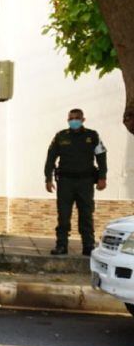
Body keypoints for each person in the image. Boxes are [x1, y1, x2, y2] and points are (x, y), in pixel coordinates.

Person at [45, 108, 107, 255]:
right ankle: (61, 245)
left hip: (85, 182)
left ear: (83, 119)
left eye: (77, 118)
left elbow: (102, 157)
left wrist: (102, 177)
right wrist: (48, 178)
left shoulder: (92, 136)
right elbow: (51, 158)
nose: (74, 121)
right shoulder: (61, 136)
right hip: (65, 182)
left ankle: (88, 246)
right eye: (71, 118)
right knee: (63, 216)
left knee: (86, 214)